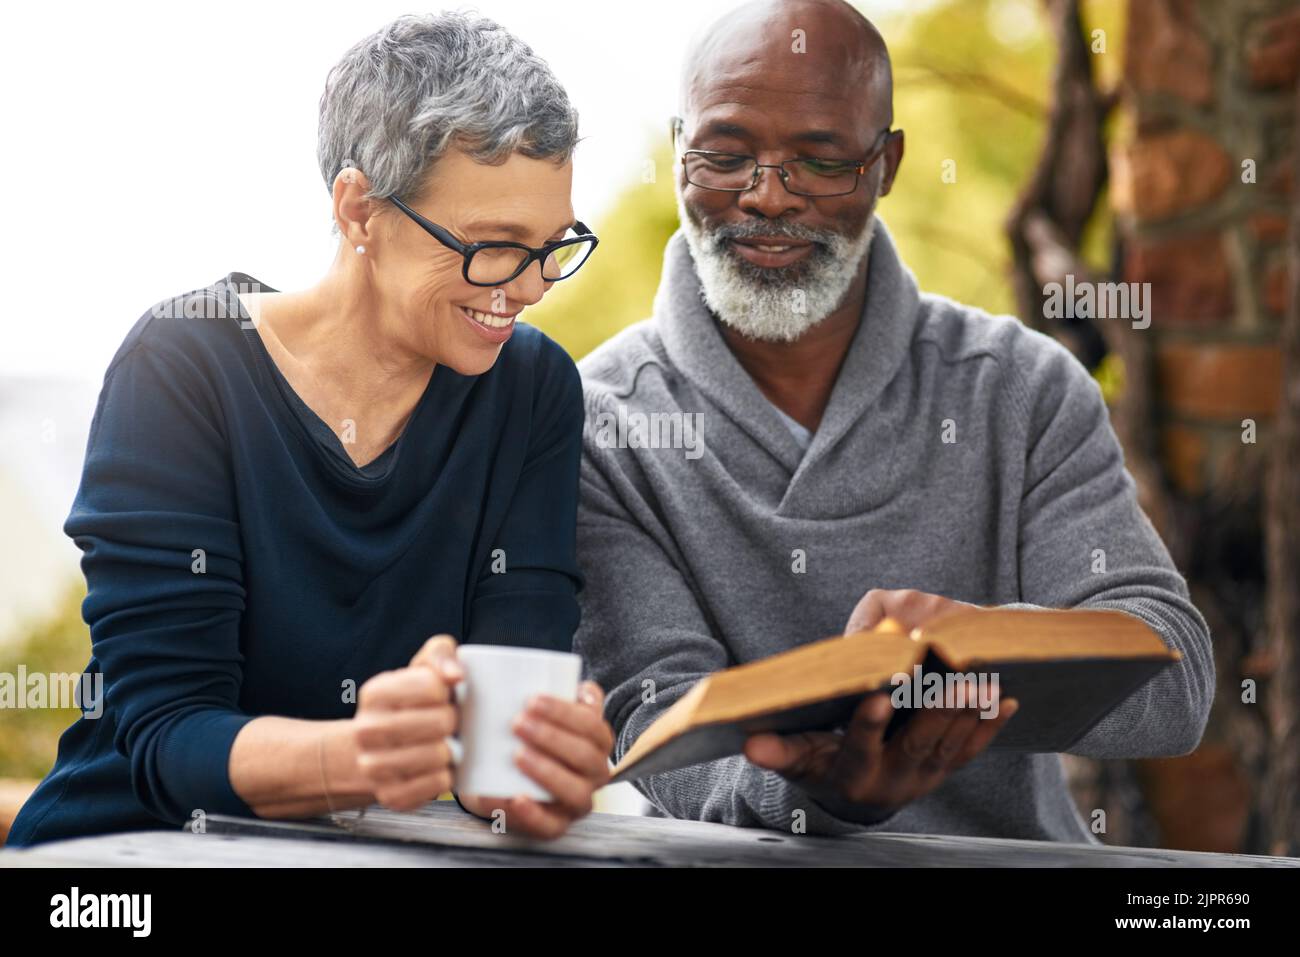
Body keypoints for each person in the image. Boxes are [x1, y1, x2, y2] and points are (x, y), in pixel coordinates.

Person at [574, 0, 1214, 841]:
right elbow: (654, 718)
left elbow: (1175, 684)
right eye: (725, 156)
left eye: (820, 160)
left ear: (888, 165)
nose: (767, 196)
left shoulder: (1021, 388)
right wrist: (816, 796)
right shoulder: (600, 422)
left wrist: (978, 656)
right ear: (679, 150)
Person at [9, 11, 613, 847]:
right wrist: (360, 755)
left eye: (553, 246)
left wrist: (537, 766)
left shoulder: (536, 390)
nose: (532, 286)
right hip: (120, 852)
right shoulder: (185, 367)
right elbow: (164, 736)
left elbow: (499, 763)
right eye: (494, 247)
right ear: (360, 208)